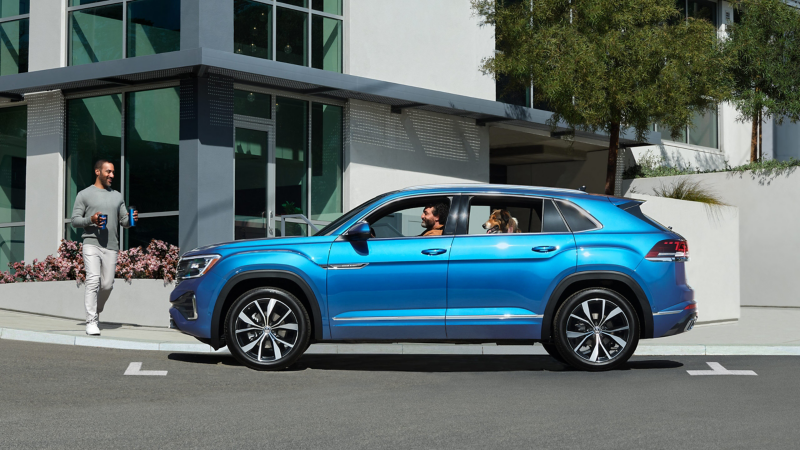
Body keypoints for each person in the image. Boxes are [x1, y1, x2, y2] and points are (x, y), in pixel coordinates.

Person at [70, 160, 137, 336]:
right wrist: (90, 220)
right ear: (97, 172)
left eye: (113, 172)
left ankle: (96, 308)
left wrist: (131, 220)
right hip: (91, 243)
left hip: (111, 246)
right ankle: (91, 321)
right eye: (108, 172)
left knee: (107, 284)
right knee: (93, 280)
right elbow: (75, 220)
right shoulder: (84, 194)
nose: (112, 175)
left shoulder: (117, 196)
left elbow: (123, 220)